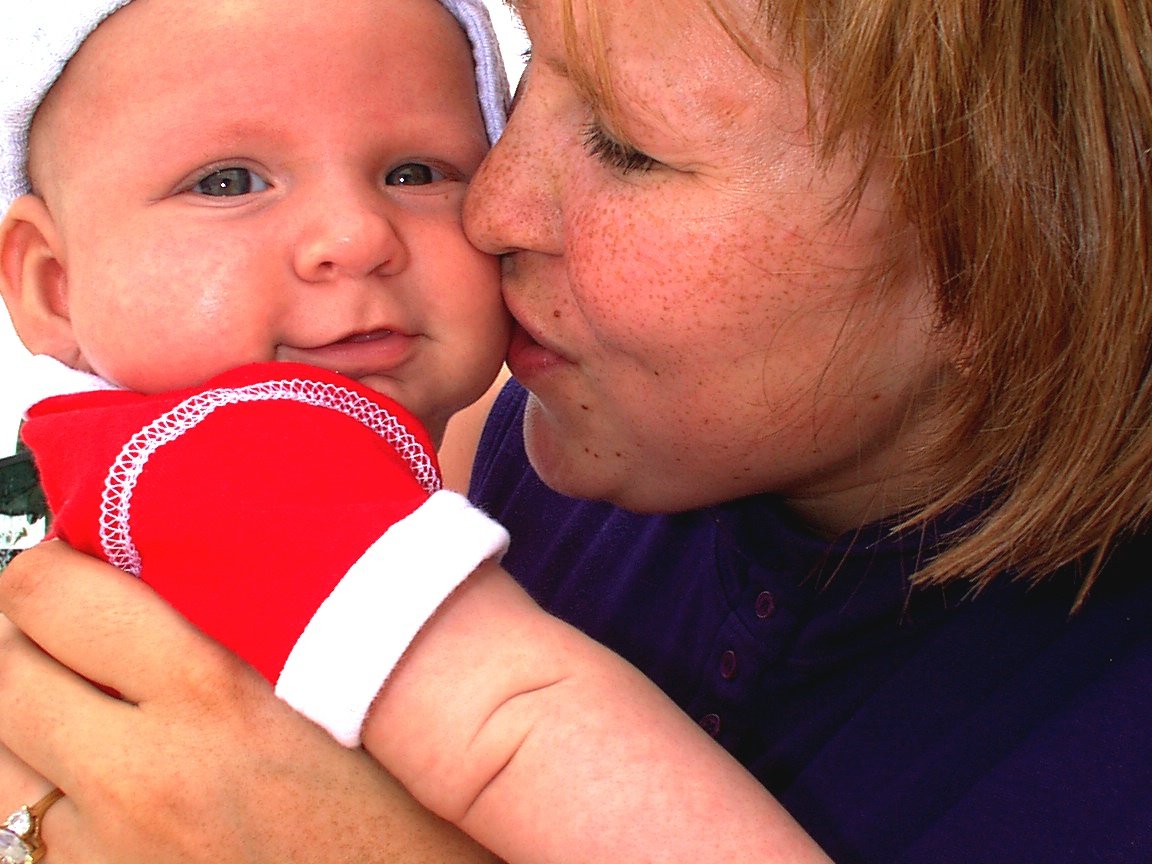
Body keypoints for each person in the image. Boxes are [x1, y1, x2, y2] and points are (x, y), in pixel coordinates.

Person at [1, 0, 1150, 861]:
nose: (487, 206)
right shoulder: (560, 432)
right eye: (533, 66)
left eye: (629, 145)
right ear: (46, 278)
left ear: (1007, 270)